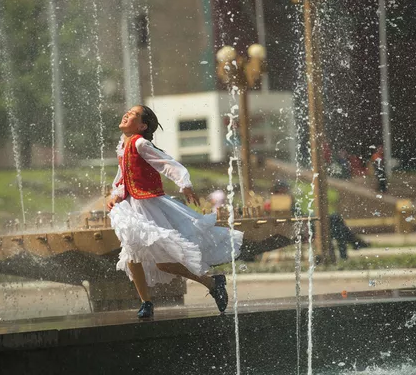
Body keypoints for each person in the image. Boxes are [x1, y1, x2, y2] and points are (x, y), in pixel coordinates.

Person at [107, 105, 243, 318]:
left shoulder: (141, 143)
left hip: (149, 204)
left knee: (164, 263)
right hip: (131, 206)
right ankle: (146, 302)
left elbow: (167, 163)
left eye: (133, 114)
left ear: (142, 126)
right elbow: (123, 174)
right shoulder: (123, 144)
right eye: (128, 112)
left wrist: (184, 184)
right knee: (132, 253)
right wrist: (117, 192)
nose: (127, 114)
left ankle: (211, 282)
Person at [263, 180, 368, 260]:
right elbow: (294, 216)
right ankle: (352, 244)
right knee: (336, 224)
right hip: (301, 228)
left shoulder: (290, 199)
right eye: (282, 189)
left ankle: (349, 247)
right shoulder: (278, 202)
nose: (285, 191)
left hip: (308, 223)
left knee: (336, 224)